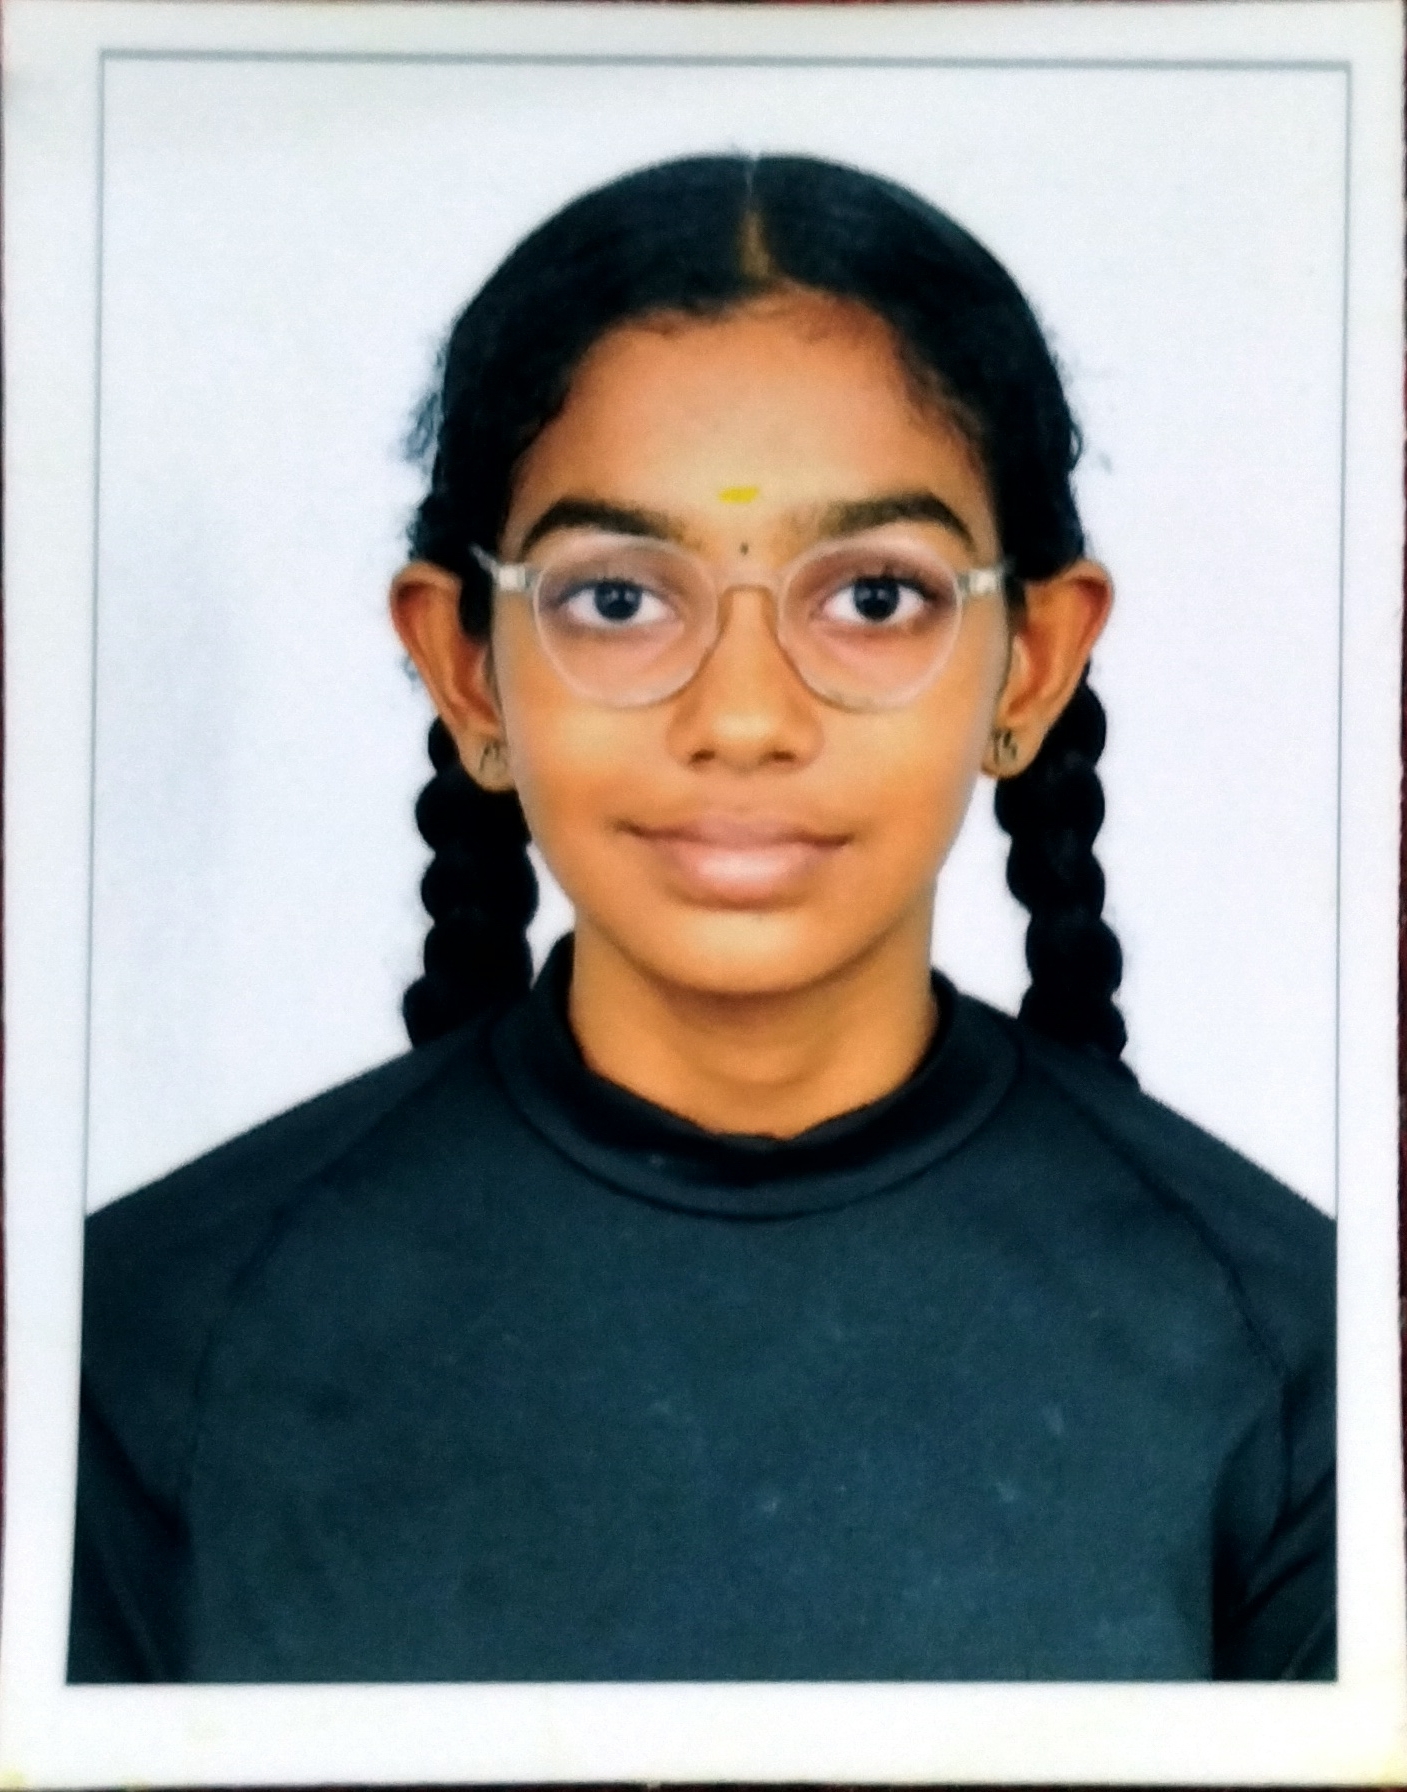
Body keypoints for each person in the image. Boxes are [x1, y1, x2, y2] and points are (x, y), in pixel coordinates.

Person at [68, 154, 1334, 1684]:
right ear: (466, 668)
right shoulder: (143, 1346)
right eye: (618, 598)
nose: (742, 718)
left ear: (1032, 662)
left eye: (873, 597)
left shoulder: (1298, 1363)